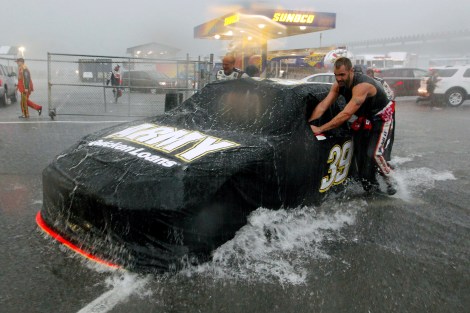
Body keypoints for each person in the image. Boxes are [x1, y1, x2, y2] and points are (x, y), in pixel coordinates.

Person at [308, 57, 397, 195]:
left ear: (351, 71)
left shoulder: (362, 86)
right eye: (336, 75)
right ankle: (371, 185)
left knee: (374, 153)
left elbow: (346, 114)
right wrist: (309, 124)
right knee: (361, 155)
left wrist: (320, 129)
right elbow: (323, 105)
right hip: (365, 118)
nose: (339, 79)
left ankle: (391, 180)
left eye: (342, 75)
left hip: (382, 118)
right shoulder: (338, 85)